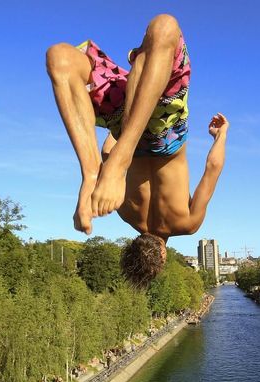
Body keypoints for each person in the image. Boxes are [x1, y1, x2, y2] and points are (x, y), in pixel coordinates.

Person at [46, 14, 228, 288]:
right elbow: (109, 150)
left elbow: (212, 169)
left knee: (165, 27)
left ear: (163, 257)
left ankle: (93, 172)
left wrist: (220, 136)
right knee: (59, 57)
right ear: (132, 244)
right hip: (128, 126)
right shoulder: (122, 209)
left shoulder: (187, 223)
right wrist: (114, 142)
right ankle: (95, 168)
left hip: (161, 136)